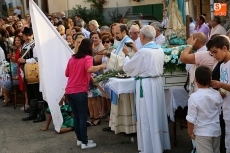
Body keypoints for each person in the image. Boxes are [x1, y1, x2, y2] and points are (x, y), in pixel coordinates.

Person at [122, 25, 171, 153]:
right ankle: (158, 144)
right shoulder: (159, 49)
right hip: (156, 83)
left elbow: (128, 68)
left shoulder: (144, 51)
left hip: (146, 86)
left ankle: (150, 148)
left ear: (142, 36)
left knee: (146, 115)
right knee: (157, 113)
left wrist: (127, 56)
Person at [65, 38, 106, 149]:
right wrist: (102, 66)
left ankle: (80, 140)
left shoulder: (72, 58)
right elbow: (89, 69)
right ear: (89, 46)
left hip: (69, 91)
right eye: (92, 45)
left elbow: (66, 73)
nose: (93, 47)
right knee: (83, 117)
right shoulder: (88, 57)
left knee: (77, 117)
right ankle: (85, 142)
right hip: (79, 91)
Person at [186, 66, 223, 153]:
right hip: (216, 131)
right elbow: (219, 111)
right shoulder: (217, 94)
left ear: (195, 79)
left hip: (202, 132)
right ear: (210, 79)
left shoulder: (194, 97)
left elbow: (191, 118)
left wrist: (190, 132)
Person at [18, 27, 46, 123]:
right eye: (27, 35)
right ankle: (33, 113)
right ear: (24, 36)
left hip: (34, 72)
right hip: (26, 72)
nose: (29, 37)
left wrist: (25, 61)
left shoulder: (35, 45)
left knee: (37, 93)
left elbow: (37, 59)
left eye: (30, 35)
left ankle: (41, 114)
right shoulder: (23, 45)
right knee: (30, 93)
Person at [208, 35, 230, 153]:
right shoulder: (222, 65)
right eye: (212, 53)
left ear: (225, 48)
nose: (215, 56)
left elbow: (223, 84)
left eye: (215, 52)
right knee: (227, 142)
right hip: (226, 109)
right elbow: (224, 88)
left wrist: (220, 85)